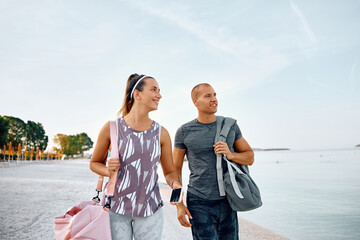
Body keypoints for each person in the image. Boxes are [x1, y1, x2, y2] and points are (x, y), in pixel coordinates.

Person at [90, 74, 181, 240]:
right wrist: (107, 170)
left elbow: (169, 172)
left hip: (150, 208)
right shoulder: (111, 128)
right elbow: (94, 163)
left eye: (159, 91)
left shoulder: (162, 133)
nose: (159, 95)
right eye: (153, 90)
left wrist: (175, 184)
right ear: (137, 94)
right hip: (115, 208)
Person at [173, 83, 254, 240]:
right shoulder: (184, 131)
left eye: (215, 95)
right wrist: (178, 204)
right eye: (208, 96)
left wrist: (231, 154)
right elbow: (175, 170)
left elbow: (250, 157)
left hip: (229, 202)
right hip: (198, 202)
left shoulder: (230, 126)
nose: (214, 99)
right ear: (195, 101)